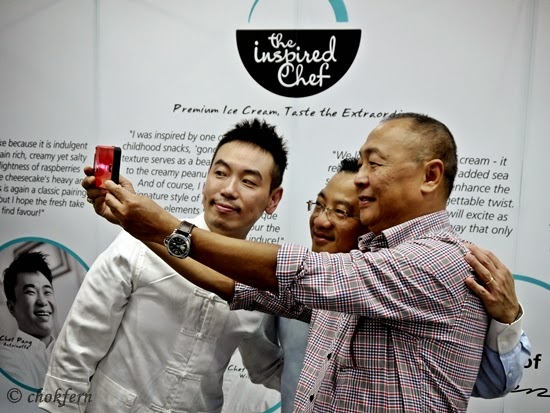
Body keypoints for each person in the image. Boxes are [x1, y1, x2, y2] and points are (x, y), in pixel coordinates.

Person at [86, 112, 525, 412]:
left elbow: (296, 271)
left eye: (374, 164)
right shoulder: (369, 258)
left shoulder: (439, 260)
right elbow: (234, 286)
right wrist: (139, 226)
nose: (361, 178)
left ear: (430, 176)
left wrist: (165, 225)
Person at [39, 118, 288, 413]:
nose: (229, 189)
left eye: (248, 181)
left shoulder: (261, 277)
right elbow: (77, 347)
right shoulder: (140, 241)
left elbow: (266, 366)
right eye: (220, 173)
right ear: (206, 179)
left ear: (273, 199)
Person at [276, 157, 530, 412]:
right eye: (319, 205)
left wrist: (508, 319)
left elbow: (493, 382)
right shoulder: (304, 274)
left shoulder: (432, 273)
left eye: (342, 211)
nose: (320, 221)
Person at [0, 251, 57, 389]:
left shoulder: (69, 349)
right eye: (31, 292)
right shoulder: (7, 357)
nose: (42, 301)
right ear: (11, 307)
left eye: (47, 292)